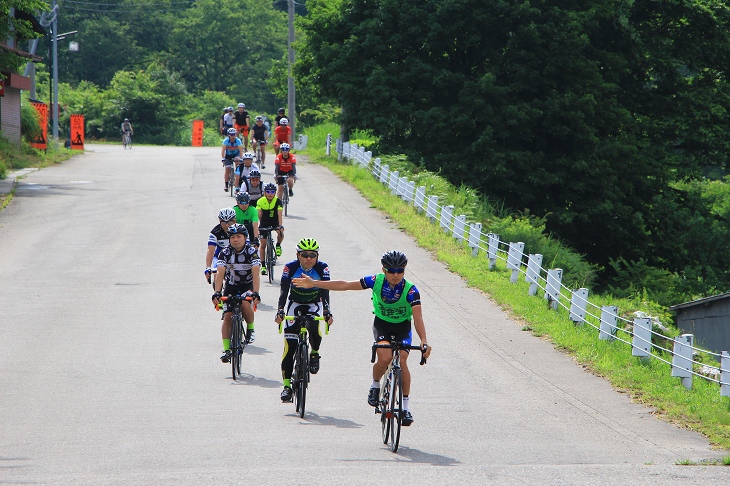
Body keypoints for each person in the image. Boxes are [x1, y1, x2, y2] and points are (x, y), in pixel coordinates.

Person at [292, 250, 431, 426]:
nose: (396, 275)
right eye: (391, 271)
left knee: (402, 362)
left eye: (400, 271)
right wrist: (315, 283)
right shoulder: (376, 281)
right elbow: (345, 285)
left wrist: (424, 340)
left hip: (403, 327)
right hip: (383, 325)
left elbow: (418, 318)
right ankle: (375, 385)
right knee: (385, 357)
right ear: (383, 270)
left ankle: (405, 407)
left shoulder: (411, 290)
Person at [274, 238, 333, 402]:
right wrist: (280, 310)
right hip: (295, 303)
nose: (309, 258)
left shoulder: (322, 268)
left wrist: (327, 311)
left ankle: (314, 353)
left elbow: (325, 290)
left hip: (314, 303)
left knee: (314, 324)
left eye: (312, 255)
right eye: (305, 255)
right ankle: (286, 387)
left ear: (317, 256)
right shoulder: (290, 267)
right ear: (298, 255)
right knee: (290, 346)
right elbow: (284, 291)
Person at [212, 224, 262, 358]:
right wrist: (217, 292)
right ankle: (226, 349)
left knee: (245, 304)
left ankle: (250, 328)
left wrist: (256, 292)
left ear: (245, 238)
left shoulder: (251, 251)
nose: (235, 240)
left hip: (248, 285)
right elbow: (220, 272)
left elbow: (256, 273)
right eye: (232, 237)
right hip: (231, 285)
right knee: (228, 316)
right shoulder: (225, 252)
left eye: (239, 236)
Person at [256, 182, 284, 275]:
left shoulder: (278, 201)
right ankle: (263, 265)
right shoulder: (260, 201)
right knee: (263, 244)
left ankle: (278, 245)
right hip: (264, 223)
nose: (270, 193)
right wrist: (258, 225)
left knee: (281, 232)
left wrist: (280, 226)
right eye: (268, 191)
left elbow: (279, 214)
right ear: (265, 193)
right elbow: (259, 214)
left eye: (272, 191)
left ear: (275, 193)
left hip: (274, 222)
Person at [205, 208, 237, 287]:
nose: (226, 225)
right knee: (216, 274)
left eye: (229, 222)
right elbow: (210, 250)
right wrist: (208, 267)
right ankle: (218, 296)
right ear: (219, 221)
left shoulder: (241, 230)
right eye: (223, 222)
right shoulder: (215, 232)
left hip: (236, 255)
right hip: (220, 256)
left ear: (234, 221)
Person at [221, 128, 243, 192]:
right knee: (227, 169)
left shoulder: (238, 141)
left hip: (236, 154)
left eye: (234, 134)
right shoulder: (226, 141)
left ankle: (237, 176)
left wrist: (241, 159)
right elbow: (223, 150)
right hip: (228, 155)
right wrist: (223, 158)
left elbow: (241, 151)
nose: (233, 136)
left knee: (237, 162)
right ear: (229, 135)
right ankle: (226, 184)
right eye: (231, 134)